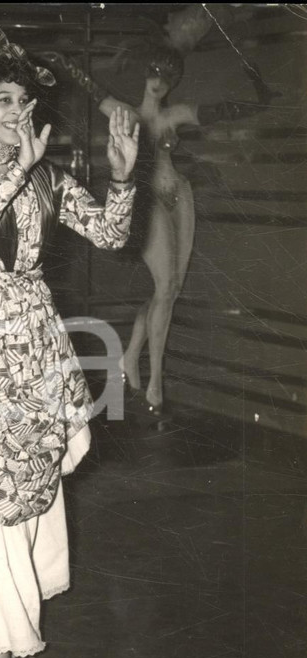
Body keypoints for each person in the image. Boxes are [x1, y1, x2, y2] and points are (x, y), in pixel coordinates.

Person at [0, 21, 139, 658]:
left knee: (33, 468)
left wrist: (123, 176)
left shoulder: (45, 176)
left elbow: (110, 235)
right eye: (3, 101)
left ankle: (27, 597)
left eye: (24, 102)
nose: (17, 112)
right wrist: (17, 170)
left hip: (31, 337)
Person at [39, 6, 275, 417]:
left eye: (168, 76)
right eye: (155, 72)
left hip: (180, 194)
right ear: (146, 72)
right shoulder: (126, 112)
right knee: (165, 289)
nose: (160, 81)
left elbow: (219, 111)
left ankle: (131, 356)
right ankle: (155, 382)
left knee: (170, 290)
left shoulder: (174, 114)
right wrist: (63, 61)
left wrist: (260, 97)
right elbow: (92, 89)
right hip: (148, 203)